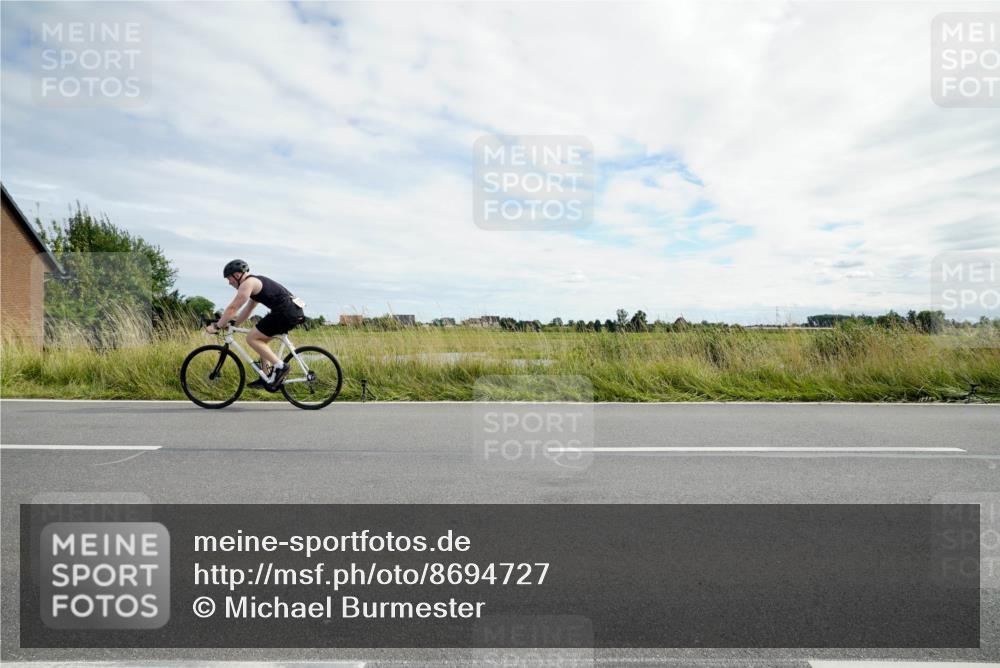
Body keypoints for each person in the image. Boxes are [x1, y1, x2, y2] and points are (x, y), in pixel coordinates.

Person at [207, 259, 306, 390]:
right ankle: (266, 377)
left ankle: (281, 366)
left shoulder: (247, 283)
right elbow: (248, 310)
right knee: (260, 341)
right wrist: (233, 325)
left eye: (229, 279)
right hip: (292, 311)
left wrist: (217, 326)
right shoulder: (254, 283)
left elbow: (233, 308)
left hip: (285, 312)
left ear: (237, 275)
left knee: (252, 338)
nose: (229, 283)